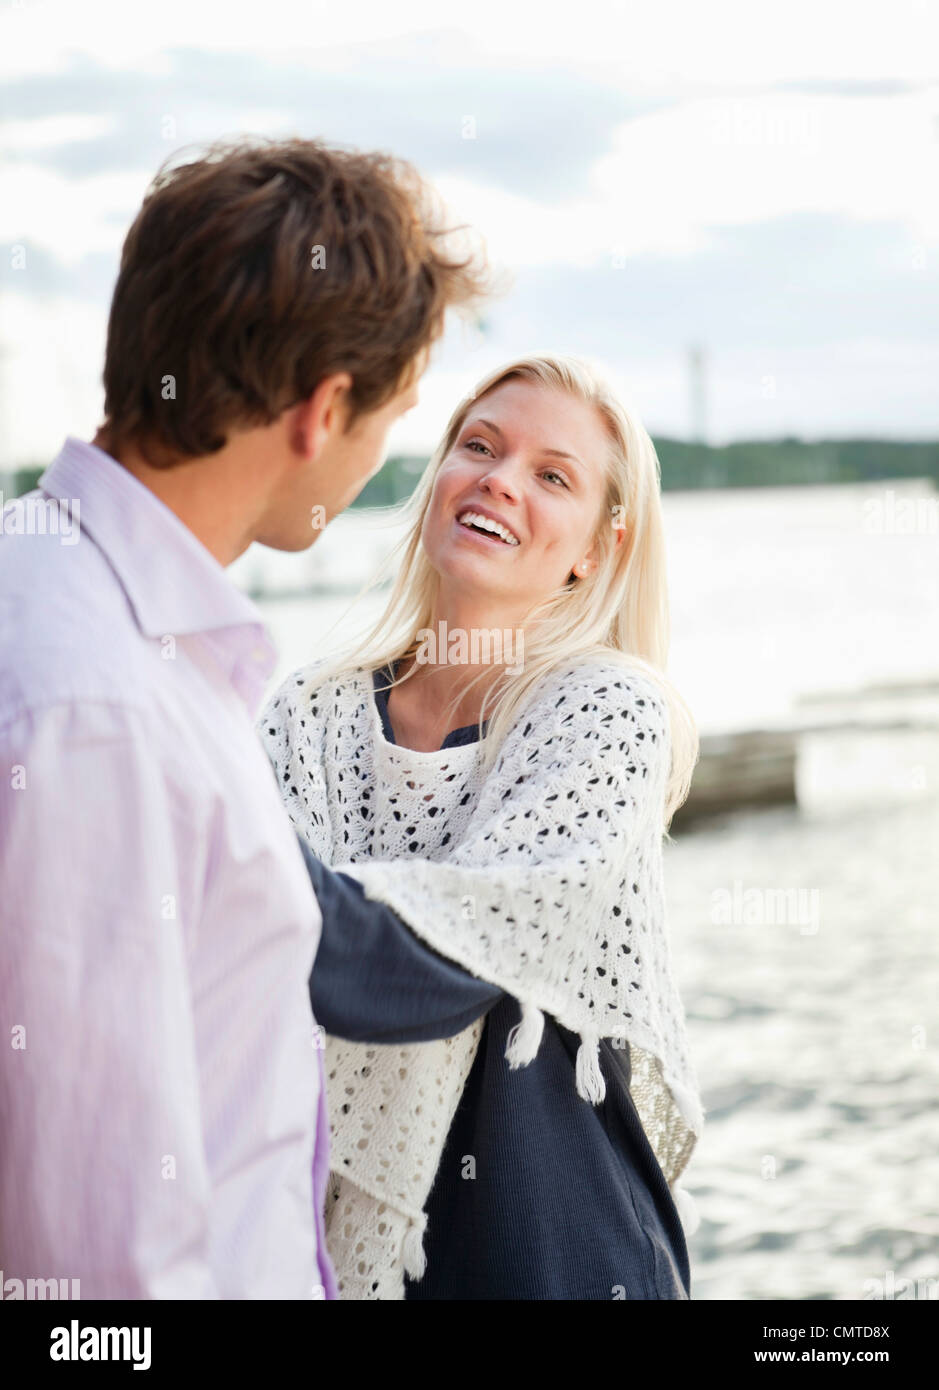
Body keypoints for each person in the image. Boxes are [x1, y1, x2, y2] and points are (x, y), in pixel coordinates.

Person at [0, 134, 489, 1298]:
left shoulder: (84, 617)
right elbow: (94, 1266)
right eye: (393, 419)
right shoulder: (98, 711)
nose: (383, 462)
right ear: (324, 412)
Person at [259, 353, 706, 1300]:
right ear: (439, 480)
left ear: (597, 547)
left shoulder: (609, 711)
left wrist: (207, 868)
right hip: (329, 1251)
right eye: (479, 446)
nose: (499, 479)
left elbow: (465, 944)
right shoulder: (307, 715)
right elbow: (238, 990)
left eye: (552, 476)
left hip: (563, 1254)